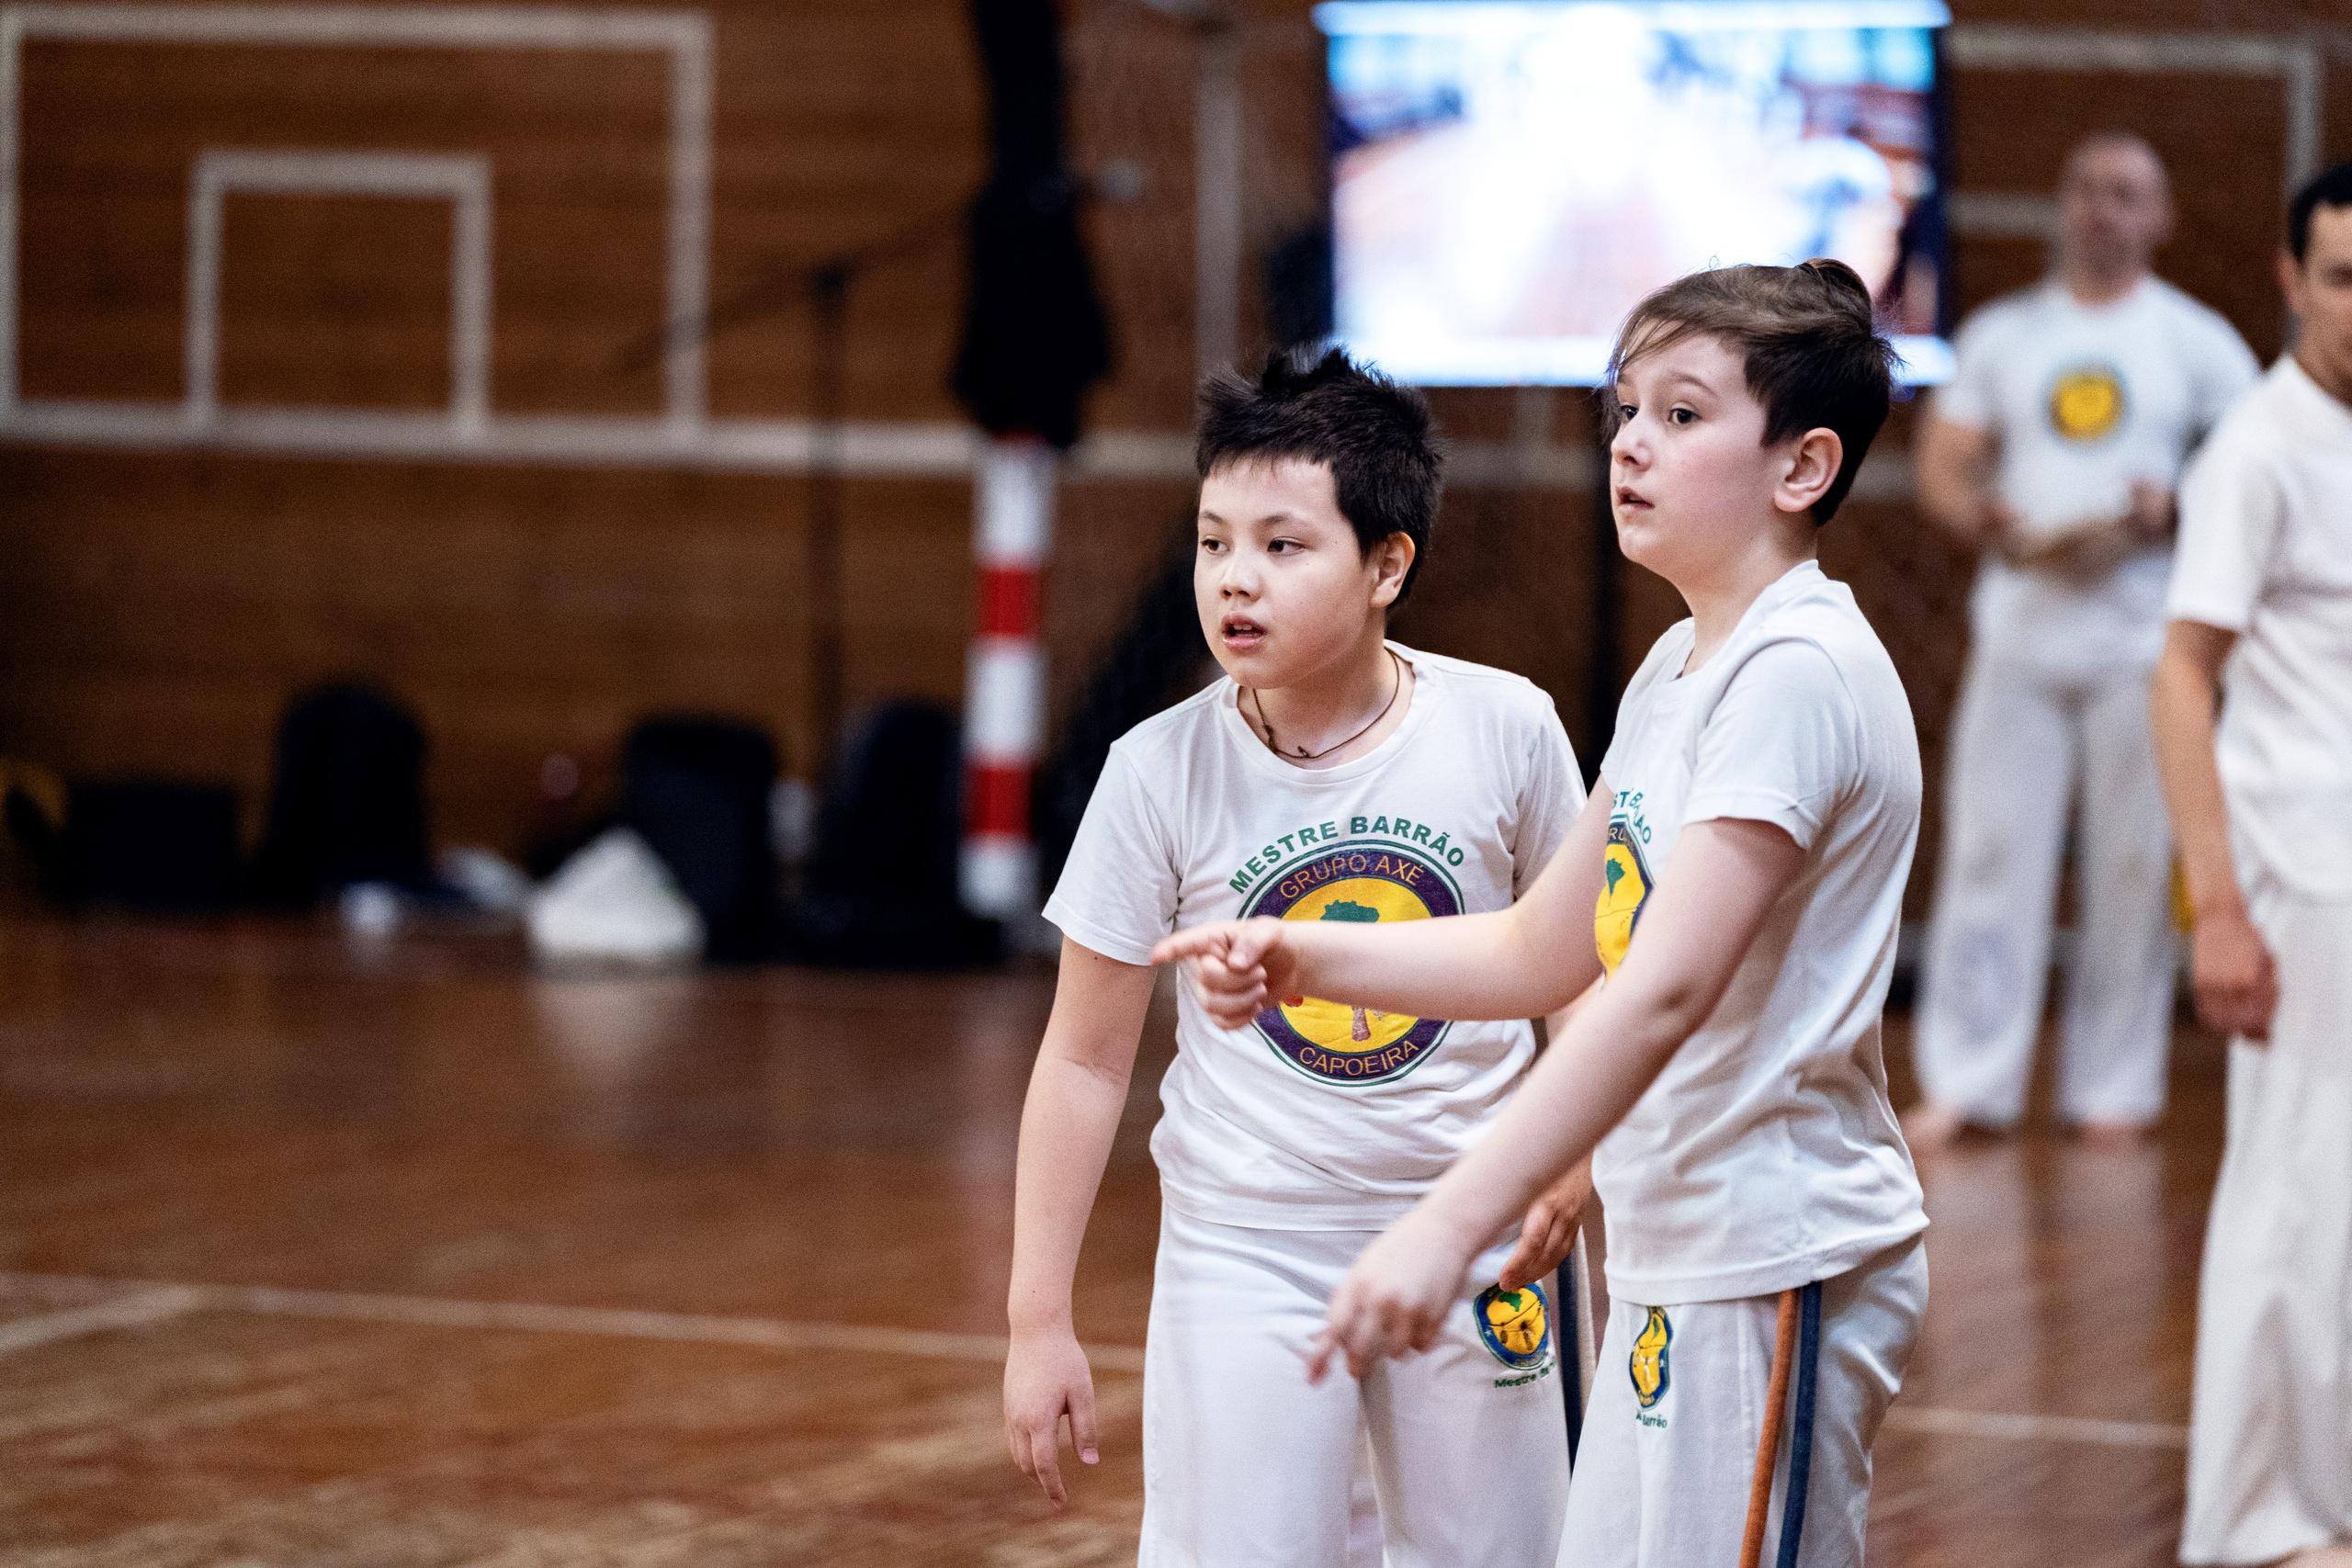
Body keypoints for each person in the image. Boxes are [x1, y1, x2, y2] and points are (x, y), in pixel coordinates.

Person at [1159, 261, 1927, 1568]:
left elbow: (1660, 991)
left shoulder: (1796, 671)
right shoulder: (1681, 668)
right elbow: (1541, 944)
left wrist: (1450, 1219)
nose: (1630, 442)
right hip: (1683, 1253)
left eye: (1682, 415)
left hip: (1770, 1254)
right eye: (1625, 408)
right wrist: (1303, 951)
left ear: (1803, 468)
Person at [1001, 347, 1592, 1566]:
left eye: (1282, 544)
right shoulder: (1154, 768)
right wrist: (1036, 1316)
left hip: (1478, 1224)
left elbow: (1576, 977)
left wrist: (1573, 1156)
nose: (1235, 579)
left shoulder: (1509, 726)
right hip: (1247, 1242)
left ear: (1388, 564)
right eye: (1215, 541)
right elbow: (1082, 1058)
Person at [1905, 132, 2261, 1149]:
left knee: (2133, 865)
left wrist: (2172, 506)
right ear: (2062, 207)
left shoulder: (2195, 343)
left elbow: (2243, 473)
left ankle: (2114, 1083)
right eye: (2087, 191)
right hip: (2021, 631)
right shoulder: (2005, 336)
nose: (2104, 210)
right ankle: (1971, 1081)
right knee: (1988, 853)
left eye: (2127, 194)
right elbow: (1947, 458)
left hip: (2141, 646)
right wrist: (1980, 514)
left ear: (2160, 219)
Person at [2152, 161, 2352, 1568]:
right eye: (2342, 274)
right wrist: (2217, 902)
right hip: (2296, 872)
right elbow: (2180, 676)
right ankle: (2253, 1520)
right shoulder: (2260, 447)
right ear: (2290, 279)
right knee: (2290, 1188)